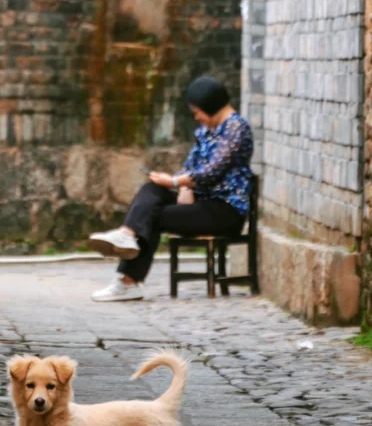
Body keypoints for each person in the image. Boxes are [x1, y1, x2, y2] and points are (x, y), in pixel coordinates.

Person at [88, 75, 253, 303]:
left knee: (152, 216)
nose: (196, 118)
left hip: (224, 210)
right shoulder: (205, 132)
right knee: (152, 189)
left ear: (210, 106)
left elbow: (213, 171)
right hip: (200, 202)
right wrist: (178, 184)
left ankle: (128, 282)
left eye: (197, 112)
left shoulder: (237, 129)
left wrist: (176, 183)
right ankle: (127, 235)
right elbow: (191, 166)